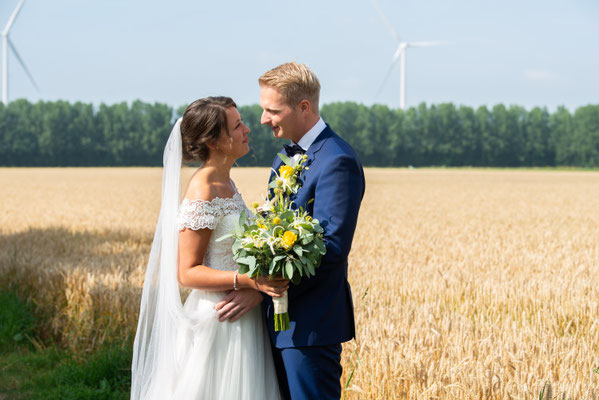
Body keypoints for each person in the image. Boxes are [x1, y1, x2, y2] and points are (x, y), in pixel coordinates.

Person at [217, 62, 365, 399]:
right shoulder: (284, 158)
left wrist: (261, 289)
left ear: (304, 107)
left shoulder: (336, 161)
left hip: (310, 326)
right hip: (272, 325)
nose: (263, 119)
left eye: (272, 110)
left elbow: (329, 248)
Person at [131, 96, 284, 399]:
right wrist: (248, 281)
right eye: (237, 125)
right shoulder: (203, 190)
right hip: (219, 319)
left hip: (243, 314)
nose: (247, 130)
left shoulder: (226, 182)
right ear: (215, 141)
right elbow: (187, 273)